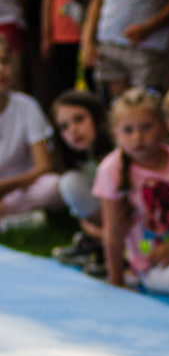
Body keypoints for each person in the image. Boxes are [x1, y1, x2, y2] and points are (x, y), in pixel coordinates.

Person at [93, 87, 169, 292]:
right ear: (115, 133)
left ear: (164, 127)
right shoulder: (112, 169)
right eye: (128, 130)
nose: (137, 137)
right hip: (152, 266)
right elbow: (113, 230)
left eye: (146, 127)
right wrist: (116, 280)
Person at [0, 36, 64, 228]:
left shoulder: (27, 106)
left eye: (4, 61)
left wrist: (5, 187)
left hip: (21, 186)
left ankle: (8, 218)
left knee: (53, 187)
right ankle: (18, 221)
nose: (1, 69)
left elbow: (44, 166)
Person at [50, 90, 115, 272]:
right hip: (108, 227)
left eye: (79, 119)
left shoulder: (117, 154)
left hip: (132, 224)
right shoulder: (81, 163)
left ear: (97, 116)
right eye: (64, 127)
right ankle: (101, 243)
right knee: (68, 182)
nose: (73, 130)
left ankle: (108, 243)